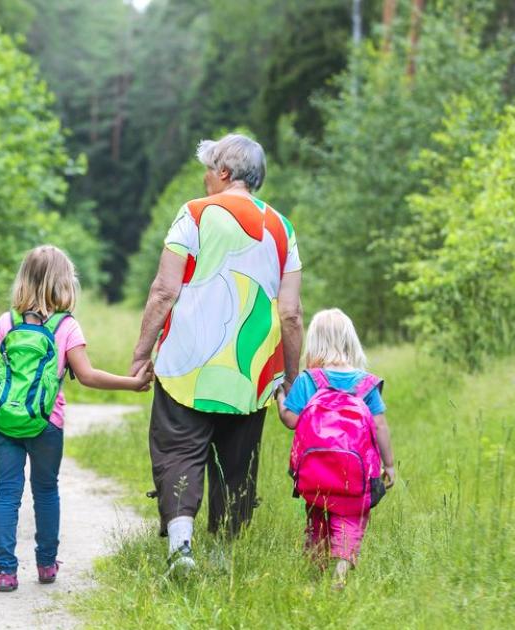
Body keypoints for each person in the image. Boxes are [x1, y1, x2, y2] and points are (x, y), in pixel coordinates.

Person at [129, 133, 304, 576]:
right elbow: (291, 313)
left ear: (224, 173)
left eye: (209, 169)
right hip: (251, 368)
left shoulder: (194, 213)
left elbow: (164, 290)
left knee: (178, 449)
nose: (205, 178)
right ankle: (226, 554)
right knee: (237, 463)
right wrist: (290, 376)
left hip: (187, 362)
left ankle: (182, 547)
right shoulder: (282, 228)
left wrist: (141, 353)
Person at [0, 245, 152, 592]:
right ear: (65, 283)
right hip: (48, 422)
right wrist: (133, 383)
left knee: (6, 494)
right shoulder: (66, 326)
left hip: (5, 421)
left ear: (23, 280)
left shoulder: (7, 321)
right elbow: (88, 375)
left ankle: (5, 571)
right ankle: (46, 564)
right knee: (46, 490)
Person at [277, 309, 395, 588]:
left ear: (315, 342)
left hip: (315, 469)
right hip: (356, 471)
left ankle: (315, 572)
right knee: (352, 515)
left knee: (317, 512)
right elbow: (379, 425)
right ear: (350, 341)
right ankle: (341, 569)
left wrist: (281, 398)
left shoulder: (309, 380)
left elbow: (291, 420)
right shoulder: (366, 383)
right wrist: (389, 464)